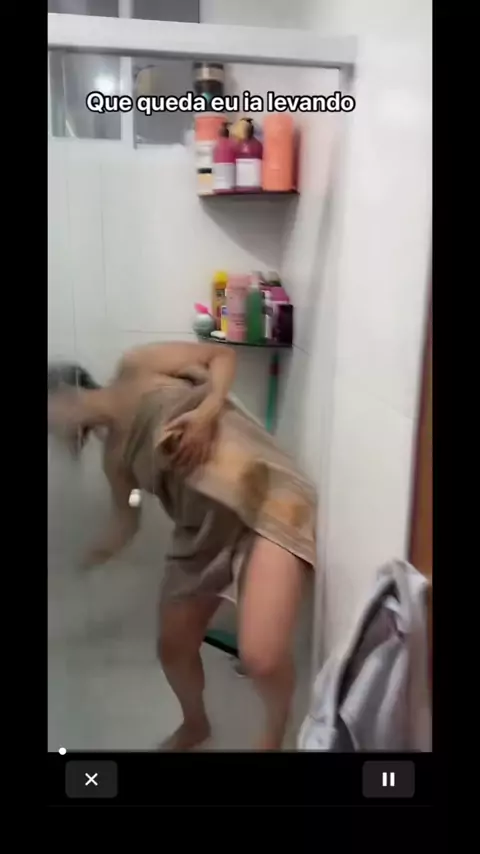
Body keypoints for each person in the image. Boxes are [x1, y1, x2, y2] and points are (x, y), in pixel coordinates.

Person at [48, 341, 317, 751]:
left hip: (264, 503)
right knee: (172, 647)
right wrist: (77, 562)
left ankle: (276, 732)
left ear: (62, 392)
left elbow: (220, 356)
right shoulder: (115, 460)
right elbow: (126, 521)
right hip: (200, 533)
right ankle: (195, 724)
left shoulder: (136, 367)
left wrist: (207, 411)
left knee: (261, 656)